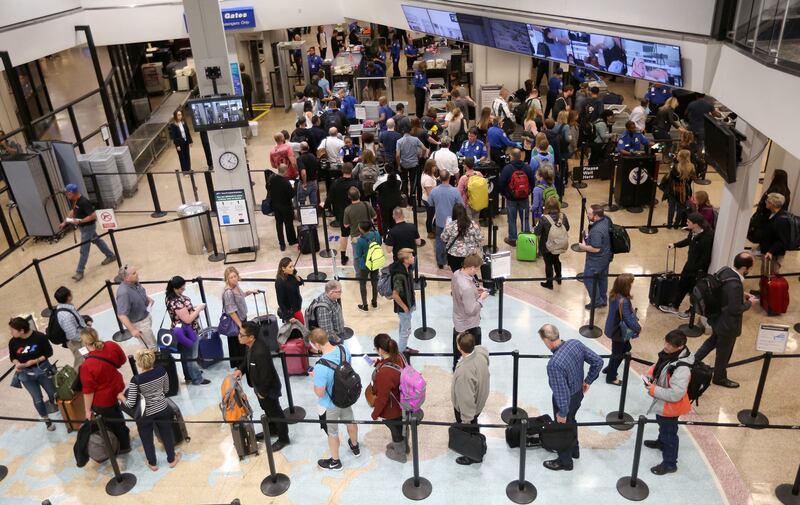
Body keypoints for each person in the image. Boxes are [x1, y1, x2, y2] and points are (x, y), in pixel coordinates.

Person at [539, 323, 603, 471]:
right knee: (572, 420)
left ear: (546, 341)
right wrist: (588, 380)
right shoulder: (575, 343)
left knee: (562, 428)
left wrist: (562, 413)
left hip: (565, 401)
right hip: (578, 394)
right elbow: (598, 361)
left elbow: (562, 393)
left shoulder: (554, 364)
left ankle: (565, 461)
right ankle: (575, 450)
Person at [694, 252, 756, 388]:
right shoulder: (735, 285)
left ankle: (693, 360)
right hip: (727, 325)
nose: (751, 270)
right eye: (751, 267)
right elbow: (735, 309)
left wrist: (742, 294)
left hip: (716, 319)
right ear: (745, 268)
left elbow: (723, 291)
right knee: (724, 353)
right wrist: (750, 303)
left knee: (712, 341)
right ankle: (719, 378)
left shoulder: (726, 271)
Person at [233, 321, 291, 452]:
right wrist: (240, 370)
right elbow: (246, 359)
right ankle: (272, 429)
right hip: (259, 387)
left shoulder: (260, 351)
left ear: (251, 337)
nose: (238, 336)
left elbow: (267, 375)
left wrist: (263, 393)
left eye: (241, 335)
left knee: (276, 412)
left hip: (267, 389)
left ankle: (283, 438)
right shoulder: (249, 345)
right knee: (268, 410)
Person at [120, 348, 181, 471]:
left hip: (145, 414)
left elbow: (131, 403)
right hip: (162, 408)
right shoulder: (162, 371)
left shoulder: (136, 380)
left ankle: (153, 464)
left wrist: (121, 397)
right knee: (166, 434)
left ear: (139, 363)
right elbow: (166, 390)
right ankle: (172, 459)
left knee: (146, 438)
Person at [644, 330, 694, 475]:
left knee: (670, 433)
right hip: (663, 402)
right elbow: (660, 365)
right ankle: (661, 442)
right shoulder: (670, 355)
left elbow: (675, 394)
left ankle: (670, 463)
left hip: (671, 407)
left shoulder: (682, 369)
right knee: (663, 426)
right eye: (666, 342)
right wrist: (650, 374)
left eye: (670, 345)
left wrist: (653, 389)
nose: (666, 346)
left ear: (680, 347)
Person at [310, 327, 360, 471]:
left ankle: (335, 461)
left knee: (332, 433)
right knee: (350, 421)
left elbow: (319, 392)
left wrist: (315, 380)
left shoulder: (320, 366)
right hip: (346, 397)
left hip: (330, 404)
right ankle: (355, 446)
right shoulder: (344, 350)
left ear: (317, 345)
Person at [79, 327, 131, 453]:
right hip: (117, 390)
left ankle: (123, 446)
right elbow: (122, 360)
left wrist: (87, 410)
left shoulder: (86, 365)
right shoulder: (111, 345)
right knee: (118, 414)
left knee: (110, 423)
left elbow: (88, 391)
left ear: (85, 344)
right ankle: (125, 436)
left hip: (103, 399)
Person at [58, 184, 117, 282]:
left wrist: (80, 221)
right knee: (97, 240)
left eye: (67, 193)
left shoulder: (84, 202)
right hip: (84, 228)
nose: (66, 195)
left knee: (84, 250)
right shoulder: (75, 200)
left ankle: (79, 271)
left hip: (88, 228)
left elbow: (93, 216)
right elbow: (73, 211)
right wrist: (64, 222)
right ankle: (111, 256)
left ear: (72, 193)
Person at [659, 213, 714, 317]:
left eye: (688, 222)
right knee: (682, 285)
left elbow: (705, 258)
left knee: (693, 291)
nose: (686, 223)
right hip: (689, 265)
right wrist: (675, 245)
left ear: (696, 224)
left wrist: (697, 270)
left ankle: (691, 312)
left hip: (698, 270)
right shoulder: (693, 232)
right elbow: (688, 241)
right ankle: (675, 306)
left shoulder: (707, 238)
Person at [8, 317, 57, 430]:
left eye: (12, 330)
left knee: (52, 393)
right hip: (25, 374)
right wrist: (17, 363)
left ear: (22, 330)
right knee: (37, 399)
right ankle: (46, 420)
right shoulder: (13, 341)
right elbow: (13, 356)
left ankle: (57, 407)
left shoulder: (40, 337)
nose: (11, 332)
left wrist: (34, 361)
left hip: (42, 370)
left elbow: (49, 352)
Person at [451, 331, 490, 465]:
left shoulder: (464, 372)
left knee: (469, 429)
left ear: (459, 348)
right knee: (473, 425)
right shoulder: (480, 352)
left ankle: (472, 455)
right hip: (480, 398)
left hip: (469, 409)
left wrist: (466, 420)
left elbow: (466, 400)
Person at [164, 276, 210, 386]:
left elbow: (184, 311)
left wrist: (193, 307)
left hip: (181, 332)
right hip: (188, 332)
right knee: (191, 356)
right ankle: (197, 378)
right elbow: (188, 319)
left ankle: (189, 375)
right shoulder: (176, 302)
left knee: (186, 354)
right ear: (175, 288)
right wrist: (199, 308)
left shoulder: (170, 297)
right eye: (181, 288)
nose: (183, 290)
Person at [370, 334, 407, 462]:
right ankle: (403, 446)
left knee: (394, 428)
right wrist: (380, 363)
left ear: (380, 350)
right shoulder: (399, 355)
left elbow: (382, 398)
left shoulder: (385, 373)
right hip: (403, 401)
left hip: (393, 407)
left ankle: (400, 454)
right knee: (402, 425)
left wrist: (375, 414)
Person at [451, 254, 489, 370]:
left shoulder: (457, 273)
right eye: (477, 269)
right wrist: (481, 298)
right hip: (467, 322)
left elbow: (457, 292)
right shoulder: (466, 287)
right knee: (467, 348)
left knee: (457, 345)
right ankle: (466, 367)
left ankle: (456, 366)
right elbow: (471, 310)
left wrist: (476, 291)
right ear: (472, 267)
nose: (477, 271)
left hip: (458, 316)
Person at [603, 274, 641, 385]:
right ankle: (611, 377)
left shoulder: (613, 295)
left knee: (623, 349)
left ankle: (609, 368)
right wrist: (638, 328)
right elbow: (628, 319)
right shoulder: (624, 301)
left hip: (613, 327)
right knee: (619, 353)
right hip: (619, 332)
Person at [499, 148, 537, 247]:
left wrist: (505, 194)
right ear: (521, 156)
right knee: (525, 218)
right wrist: (528, 192)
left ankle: (512, 239)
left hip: (511, 199)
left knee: (511, 219)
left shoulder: (507, 168)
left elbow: (501, 183)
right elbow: (532, 182)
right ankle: (526, 238)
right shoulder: (527, 168)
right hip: (524, 198)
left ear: (511, 157)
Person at [578, 205, 612, 309]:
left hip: (596, 260)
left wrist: (584, 246)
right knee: (602, 278)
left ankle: (597, 301)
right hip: (606, 256)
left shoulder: (597, 231)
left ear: (596, 216)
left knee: (588, 279)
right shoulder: (606, 219)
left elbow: (596, 248)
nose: (587, 216)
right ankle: (603, 299)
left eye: (589, 214)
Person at [428, 171, 463, 269]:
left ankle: (440, 261)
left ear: (440, 178)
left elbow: (430, 203)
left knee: (439, 240)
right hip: (452, 222)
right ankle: (451, 260)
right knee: (453, 240)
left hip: (439, 221)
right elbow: (461, 205)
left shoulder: (434, 191)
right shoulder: (455, 191)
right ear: (449, 178)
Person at [533, 197, 570, 289]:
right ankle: (558, 277)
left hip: (547, 246)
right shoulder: (563, 216)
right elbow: (568, 228)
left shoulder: (544, 219)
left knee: (548, 263)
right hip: (559, 244)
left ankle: (549, 284)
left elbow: (537, 232)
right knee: (556, 260)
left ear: (546, 207)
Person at [115, 265, 156, 348]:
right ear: (126, 278)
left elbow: (138, 293)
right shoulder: (123, 293)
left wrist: (147, 299)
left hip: (145, 316)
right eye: (134, 273)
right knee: (150, 345)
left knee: (150, 341)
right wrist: (133, 330)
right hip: (139, 323)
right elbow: (121, 314)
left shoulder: (135, 282)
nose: (137, 274)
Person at [440, 203, 484, 273]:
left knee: (457, 274)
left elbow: (443, 238)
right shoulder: (472, 224)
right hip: (469, 255)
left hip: (454, 255)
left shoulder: (450, 225)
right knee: (470, 274)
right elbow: (480, 238)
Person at [661, 149, 697, 228]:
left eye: (678, 155)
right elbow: (694, 179)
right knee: (680, 208)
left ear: (680, 157)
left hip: (674, 190)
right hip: (685, 191)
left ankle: (669, 224)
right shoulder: (692, 167)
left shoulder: (676, 166)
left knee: (671, 207)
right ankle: (676, 224)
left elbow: (670, 178)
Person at [53, 286, 87, 367]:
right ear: (68, 297)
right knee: (80, 360)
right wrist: (85, 337)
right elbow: (72, 335)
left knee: (86, 357)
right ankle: (78, 377)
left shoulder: (64, 307)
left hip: (79, 338)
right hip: (77, 342)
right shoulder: (66, 316)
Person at [758, 193, 792, 273]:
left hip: (773, 255)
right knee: (764, 275)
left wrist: (771, 251)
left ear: (772, 204)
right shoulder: (772, 214)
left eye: (767, 201)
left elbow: (782, 240)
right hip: (768, 253)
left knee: (772, 278)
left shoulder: (782, 220)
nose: (765, 202)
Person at [268, 164, 298, 251]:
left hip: (276, 206)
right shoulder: (285, 182)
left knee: (279, 225)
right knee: (288, 224)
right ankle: (291, 240)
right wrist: (294, 187)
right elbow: (292, 194)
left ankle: (282, 244)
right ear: (285, 171)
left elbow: (268, 187)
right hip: (286, 206)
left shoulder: (272, 179)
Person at [353, 221, 381, 312]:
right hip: (375, 262)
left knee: (363, 284)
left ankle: (365, 305)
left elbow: (358, 254)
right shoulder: (376, 234)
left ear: (361, 229)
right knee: (374, 281)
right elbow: (380, 244)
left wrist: (356, 242)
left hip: (364, 265)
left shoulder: (360, 240)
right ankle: (374, 302)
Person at [222, 266, 259, 333]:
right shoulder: (228, 293)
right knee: (239, 342)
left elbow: (241, 295)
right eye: (231, 277)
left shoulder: (236, 285)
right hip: (236, 323)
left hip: (242, 318)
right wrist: (240, 325)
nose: (234, 279)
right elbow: (231, 312)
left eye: (235, 276)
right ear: (227, 279)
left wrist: (251, 292)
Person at [396, 126, 428, 200]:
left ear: (403, 132)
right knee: (413, 180)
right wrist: (421, 156)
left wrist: (398, 165)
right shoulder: (415, 139)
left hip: (404, 163)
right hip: (414, 163)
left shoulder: (399, 141)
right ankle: (412, 197)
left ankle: (406, 197)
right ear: (410, 131)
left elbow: (397, 155)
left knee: (404, 180)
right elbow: (424, 149)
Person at [275, 257, 305, 324]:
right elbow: (280, 302)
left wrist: (295, 274)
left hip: (297, 307)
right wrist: (289, 317)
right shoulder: (279, 282)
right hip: (291, 312)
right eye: (290, 267)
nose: (293, 268)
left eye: (293, 266)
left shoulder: (291, 275)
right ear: (283, 268)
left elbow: (300, 282)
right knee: (301, 328)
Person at [457, 157, 485, 222]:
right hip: (478, 201)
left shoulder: (463, 178)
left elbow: (459, 193)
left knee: (469, 222)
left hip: (467, 203)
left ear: (465, 166)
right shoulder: (479, 174)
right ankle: (477, 232)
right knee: (476, 220)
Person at [376, 168, 404, 234]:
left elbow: (374, 189)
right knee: (395, 219)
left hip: (384, 203)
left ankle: (385, 237)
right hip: (396, 201)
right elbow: (400, 188)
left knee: (385, 220)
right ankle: (395, 234)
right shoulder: (398, 179)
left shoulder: (381, 180)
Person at [296, 141, 320, 206]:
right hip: (314, 182)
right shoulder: (313, 156)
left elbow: (303, 172)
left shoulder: (300, 159)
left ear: (300, 149)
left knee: (301, 203)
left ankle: (302, 215)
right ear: (308, 147)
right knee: (314, 203)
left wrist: (304, 183)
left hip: (305, 183)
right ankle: (315, 215)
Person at [420, 159, 437, 237]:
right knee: (430, 216)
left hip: (429, 199)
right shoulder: (427, 179)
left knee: (431, 215)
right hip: (429, 200)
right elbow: (430, 194)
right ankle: (429, 232)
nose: (435, 168)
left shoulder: (428, 174)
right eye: (434, 166)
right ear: (430, 167)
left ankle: (432, 229)